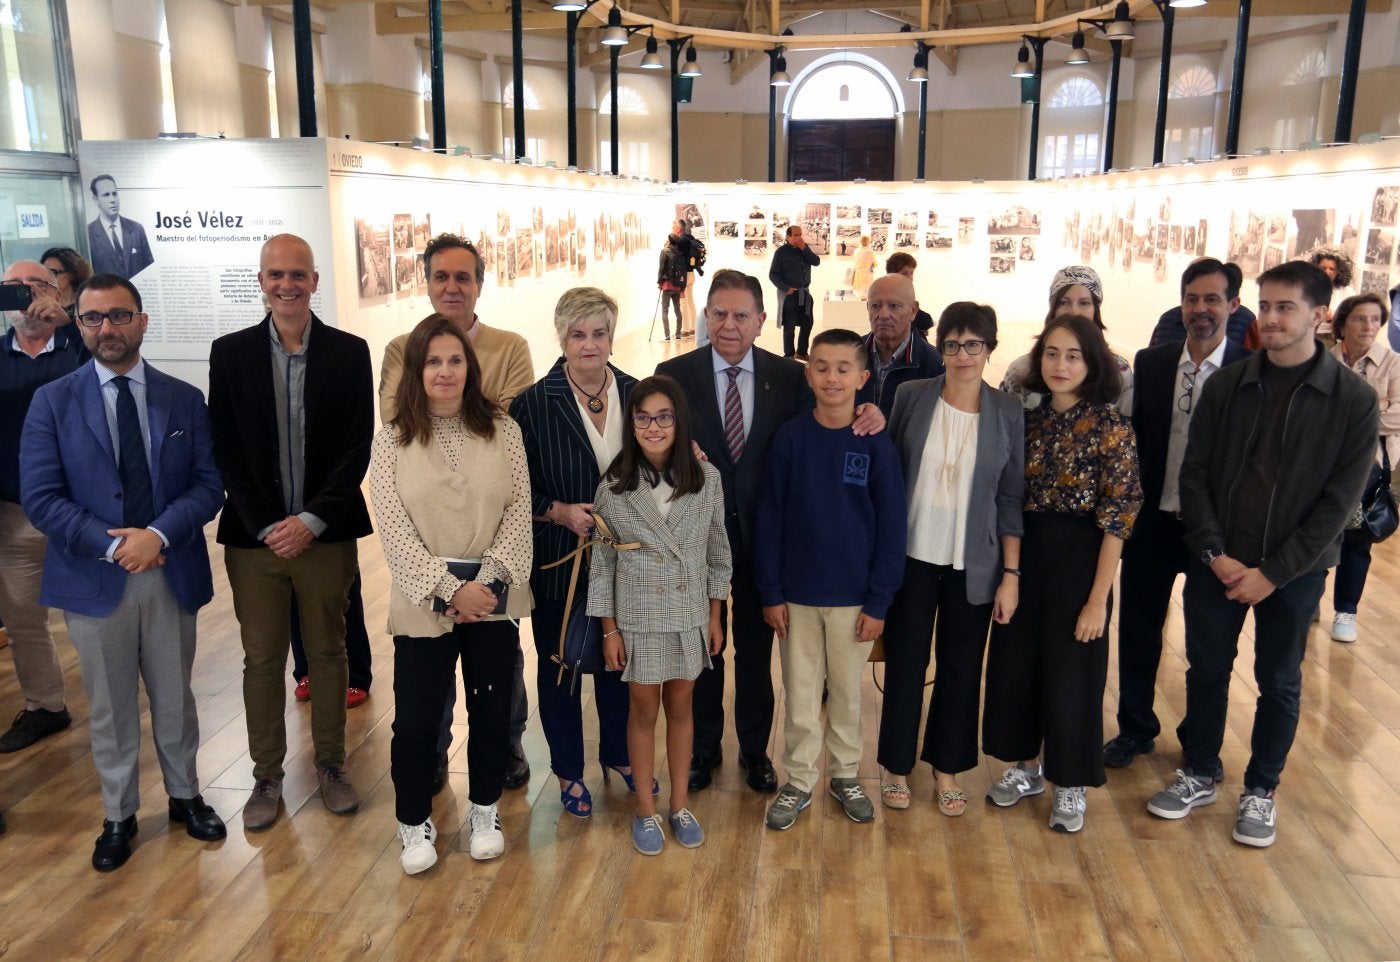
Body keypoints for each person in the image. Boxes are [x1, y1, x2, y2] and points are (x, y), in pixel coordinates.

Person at [1148, 260, 1377, 848]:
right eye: (1266, 306)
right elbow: (1193, 474)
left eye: (1286, 308)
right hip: (1219, 561)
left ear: (1319, 315)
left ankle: (1261, 789)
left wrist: (1274, 573)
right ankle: (1199, 769)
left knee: (1279, 681)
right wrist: (1215, 553)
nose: (1270, 318)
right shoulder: (1229, 384)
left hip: (1293, 572)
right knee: (1206, 670)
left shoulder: (1351, 399)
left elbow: (1339, 501)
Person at [20, 273, 226, 871]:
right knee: (109, 707)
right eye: (93, 319)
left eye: (118, 315)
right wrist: (115, 547)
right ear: (79, 325)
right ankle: (119, 813)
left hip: (169, 570)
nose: (107, 328)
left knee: (175, 697)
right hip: (94, 578)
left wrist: (157, 535)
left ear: (142, 320)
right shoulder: (52, 403)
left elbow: (208, 484)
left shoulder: (183, 398)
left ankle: (186, 796)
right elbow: (42, 497)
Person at [655, 270, 883, 796]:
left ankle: (755, 751)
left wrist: (869, 412)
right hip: (697, 541)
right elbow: (651, 437)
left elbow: (829, 424)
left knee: (757, 655)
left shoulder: (790, 378)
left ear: (762, 320)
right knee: (703, 649)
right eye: (718, 314)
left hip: (767, 540)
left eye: (741, 316)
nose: (729, 326)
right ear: (705, 317)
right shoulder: (674, 374)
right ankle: (704, 749)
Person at [208, 234, 372, 830]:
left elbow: (357, 447)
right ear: (261, 281)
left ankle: (331, 764)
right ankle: (266, 776)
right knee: (261, 658)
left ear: (314, 281)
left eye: (297, 274)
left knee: (329, 652)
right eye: (276, 274)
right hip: (255, 543)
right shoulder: (229, 354)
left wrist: (310, 520)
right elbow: (224, 449)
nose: (287, 284)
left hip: (326, 536)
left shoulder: (350, 352)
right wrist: (267, 525)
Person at [370, 314, 533, 873]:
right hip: (423, 602)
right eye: (432, 361)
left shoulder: (503, 431)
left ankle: (485, 809)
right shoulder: (392, 437)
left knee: (491, 710)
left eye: (455, 360)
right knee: (416, 722)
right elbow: (392, 526)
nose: (445, 371)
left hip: (492, 600)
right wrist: (448, 591)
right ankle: (414, 823)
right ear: (417, 370)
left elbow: (517, 515)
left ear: (470, 366)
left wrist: (486, 586)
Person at [380, 233, 535, 792]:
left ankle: (504, 752)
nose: (452, 287)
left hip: (489, 550)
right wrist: (447, 589)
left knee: (499, 681)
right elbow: (399, 417)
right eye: (441, 277)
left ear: (479, 283)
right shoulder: (403, 346)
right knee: (424, 696)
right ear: (425, 283)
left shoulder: (511, 345)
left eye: (462, 277)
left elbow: (507, 419)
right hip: (429, 559)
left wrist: (485, 582)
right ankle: (435, 757)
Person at [983, 313, 1142, 834]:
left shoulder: (1112, 427)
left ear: (1092, 362)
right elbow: (1008, 497)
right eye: (1051, 353)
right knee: (1016, 665)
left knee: (1074, 676)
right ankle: (1025, 767)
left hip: (1082, 563)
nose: (1060, 364)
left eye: (1073, 355)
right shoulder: (1026, 420)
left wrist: (1098, 599)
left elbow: (1118, 518)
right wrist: (1010, 571)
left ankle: (1070, 781)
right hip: (1026, 556)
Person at [876, 302, 1024, 816]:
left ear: (989, 349)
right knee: (906, 664)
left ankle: (947, 768)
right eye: (953, 344)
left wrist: (1011, 573)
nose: (963, 355)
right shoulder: (911, 396)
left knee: (962, 669)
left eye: (974, 345)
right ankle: (896, 766)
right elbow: (888, 473)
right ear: (941, 348)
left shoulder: (1007, 412)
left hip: (974, 564)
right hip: (913, 558)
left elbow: (1010, 498)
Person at [755, 329, 906, 830]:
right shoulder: (791, 439)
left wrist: (879, 601)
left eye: (844, 368)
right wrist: (772, 592)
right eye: (821, 366)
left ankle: (844, 774)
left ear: (863, 377)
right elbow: (770, 519)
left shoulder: (877, 445)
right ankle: (798, 779)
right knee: (799, 694)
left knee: (845, 694)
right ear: (808, 374)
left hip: (854, 600)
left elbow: (891, 528)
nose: (832, 377)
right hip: (796, 598)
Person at [1104, 259, 1252, 770]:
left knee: (1207, 643)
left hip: (1215, 532)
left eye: (1212, 299)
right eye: (1192, 299)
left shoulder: (1248, 372)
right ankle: (1135, 729)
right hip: (1153, 523)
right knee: (1139, 630)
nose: (1201, 309)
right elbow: (1135, 440)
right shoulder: (1153, 362)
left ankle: (1198, 739)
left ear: (1233, 306)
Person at [509, 288, 638, 820]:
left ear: (612, 336)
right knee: (561, 665)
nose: (589, 345)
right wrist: (559, 511)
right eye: (578, 334)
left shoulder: (637, 393)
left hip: (628, 559)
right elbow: (516, 491)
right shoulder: (533, 404)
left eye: (599, 333)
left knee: (618, 660)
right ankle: (567, 768)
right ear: (561, 337)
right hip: (563, 558)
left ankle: (619, 755)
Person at [589, 375, 730, 855]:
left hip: (689, 612)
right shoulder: (614, 485)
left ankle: (680, 802)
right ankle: (646, 810)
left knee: (683, 708)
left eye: (664, 417)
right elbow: (602, 561)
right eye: (644, 417)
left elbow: (717, 550)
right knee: (643, 711)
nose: (653, 427)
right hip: (638, 615)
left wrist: (715, 614)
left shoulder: (706, 479)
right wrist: (608, 628)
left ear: (679, 421)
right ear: (632, 422)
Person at [0, 260, 83, 756]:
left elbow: (114, 377)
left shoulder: (80, 345)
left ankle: (120, 699)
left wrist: (70, 326)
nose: (24, 296)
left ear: (57, 292)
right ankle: (46, 705)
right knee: (23, 617)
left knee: (92, 614)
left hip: (79, 510)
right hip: (15, 511)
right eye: (13, 288)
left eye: (35, 286)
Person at [1327, 292, 1400, 643]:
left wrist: (1351, 414)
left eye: (1375, 319)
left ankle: (1346, 610)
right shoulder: (1323, 362)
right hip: (1323, 464)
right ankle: (1308, 596)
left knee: (1357, 541)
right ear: (1342, 324)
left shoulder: (1394, 364)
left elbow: (1398, 416)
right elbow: (1315, 417)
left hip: (1369, 467)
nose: (1369, 326)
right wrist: (1377, 404)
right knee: (1316, 532)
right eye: (1360, 318)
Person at [1000, 266, 1134, 413]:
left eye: (1084, 303)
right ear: (1053, 308)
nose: (1074, 311)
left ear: (1096, 310)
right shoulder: (1019, 370)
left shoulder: (1119, 371)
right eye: (1064, 302)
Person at [855, 273, 944, 418]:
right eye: (875, 306)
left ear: (913, 311)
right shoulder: (850, 354)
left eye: (894, 306)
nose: (883, 315)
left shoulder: (933, 364)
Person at [86, 175, 154, 279]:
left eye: (114, 194)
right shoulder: (88, 234)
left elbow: (149, 267)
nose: (112, 199)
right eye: (106, 195)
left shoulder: (136, 229)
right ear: (96, 199)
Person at [769, 225, 820, 360]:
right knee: (789, 326)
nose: (799, 238)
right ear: (788, 237)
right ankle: (789, 355)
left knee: (807, 323)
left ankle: (802, 352)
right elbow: (773, 274)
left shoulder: (804, 248)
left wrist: (804, 249)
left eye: (800, 234)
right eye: (796, 235)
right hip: (789, 295)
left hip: (805, 293)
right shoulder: (781, 252)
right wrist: (786, 288)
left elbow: (816, 262)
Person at [1308, 246, 1357, 342]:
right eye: (1323, 268)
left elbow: (1351, 322)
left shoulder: (1347, 292)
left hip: (1331, 338)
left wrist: (1332, 318)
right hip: (1306, 337)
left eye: (1332, 269)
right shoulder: (1306, 288)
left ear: (1339, 271)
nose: (1327, 272)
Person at [885, 252, 933, 339]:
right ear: (892, 274)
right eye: (904, 273)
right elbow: (923, 320)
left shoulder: (905, 292)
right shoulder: (890, 295)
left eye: (911, 273)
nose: (909, 277)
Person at [40, 247, 93, 324]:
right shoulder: (40, 304)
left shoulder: (90, 304)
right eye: (44, 272)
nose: (47, 278)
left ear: (72, 274)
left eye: (53, 272)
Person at [657, 234, 687, 341]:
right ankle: (678, 333)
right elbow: (684, 272)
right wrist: (682, 288)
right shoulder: (680, 254)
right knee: (677, 309)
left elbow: (661, 269)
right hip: (677, 286)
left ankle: (667, 335)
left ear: (669, 241)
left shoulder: (665, 252)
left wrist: (660, 282)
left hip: (667, 285)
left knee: (665, 309)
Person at [673, 218, 698, 340]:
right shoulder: (690, 238)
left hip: (684, 275)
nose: (672, 228)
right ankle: (693, 327)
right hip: (692, 274)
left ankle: (685, 329)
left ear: (678, 228)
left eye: (674, 226)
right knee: (690, 301)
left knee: (682, 301)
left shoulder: (681, 241)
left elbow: (679, 260)